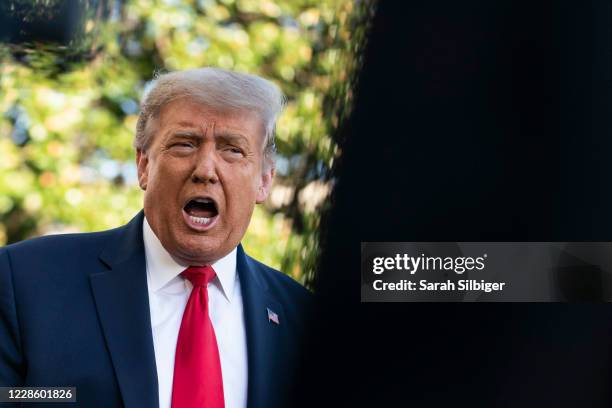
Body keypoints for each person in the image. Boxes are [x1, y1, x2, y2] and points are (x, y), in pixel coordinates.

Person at [0, 67, 312, 408]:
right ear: (143, 165)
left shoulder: (304, 319)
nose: (205, 169)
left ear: (264, 181)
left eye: (232, 150)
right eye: (184, 144)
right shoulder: (26, 281)